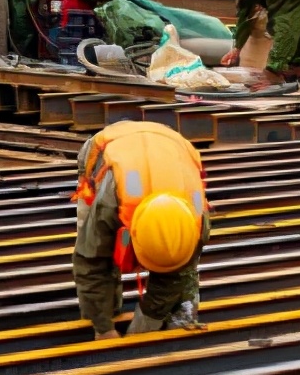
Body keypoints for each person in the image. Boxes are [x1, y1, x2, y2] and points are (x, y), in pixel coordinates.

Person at [72, 121, 211, 339]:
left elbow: (178, 274)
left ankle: (182, 316)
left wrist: (145, 326)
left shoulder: (197, 222)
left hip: (169, 144)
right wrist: (103, 327)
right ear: (132, 234)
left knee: (183, 278)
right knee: (97, 250)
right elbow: (90, 263)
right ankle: (107, 311)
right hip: (107, 147)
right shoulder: (109, 204)